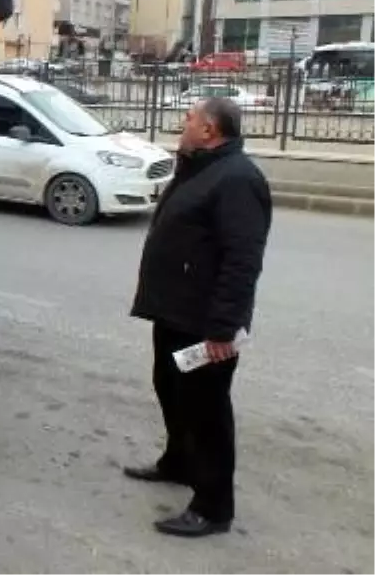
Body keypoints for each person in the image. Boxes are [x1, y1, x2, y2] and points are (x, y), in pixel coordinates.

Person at [125, 96, 272, 537]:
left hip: (206, 323)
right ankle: (179, 462)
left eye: (188, 120)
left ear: (209, 129)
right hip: (175, 311)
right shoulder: (200, 166)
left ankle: (213, 507)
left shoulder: (238, 180)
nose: (181, 126)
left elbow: (242, 260)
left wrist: (222, 329)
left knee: (207, 411)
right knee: (171, 389)